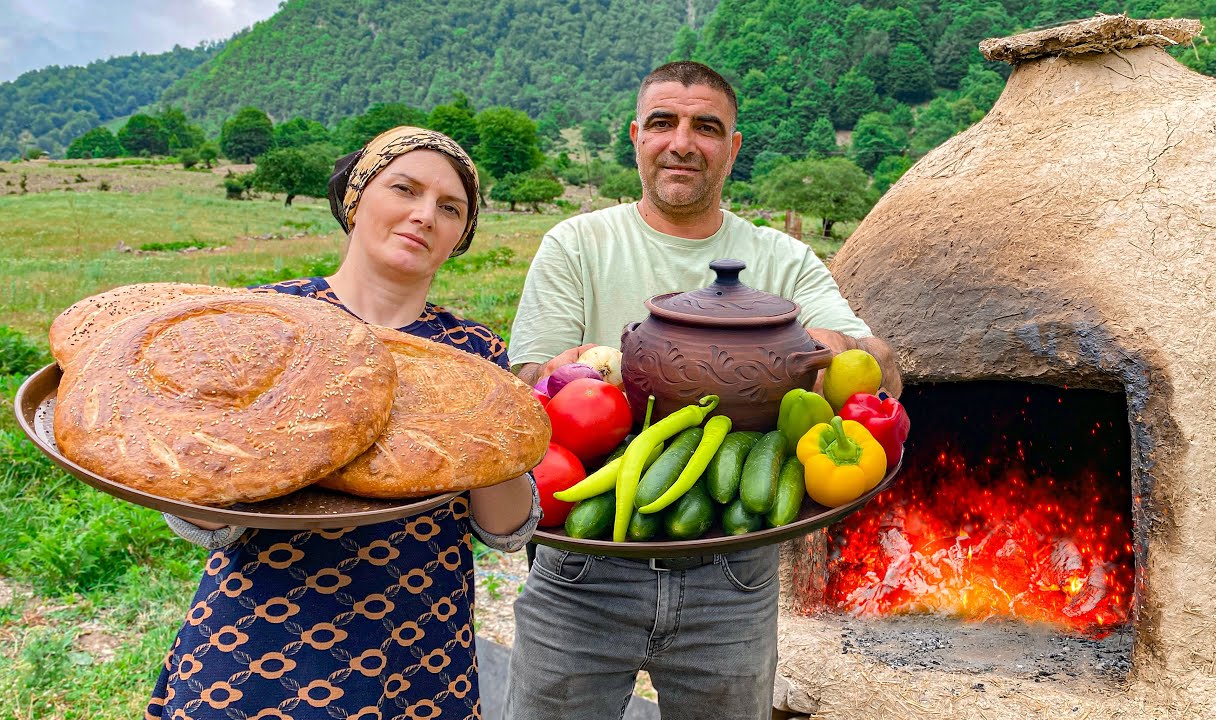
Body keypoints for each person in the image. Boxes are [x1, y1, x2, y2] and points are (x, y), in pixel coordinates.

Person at [503, 62, 902, 720]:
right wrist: (576, 370)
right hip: (583, 563)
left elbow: (876, 368)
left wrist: (839, 353)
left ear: (733, 147)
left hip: (733, 565)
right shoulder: (577, 243)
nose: (682, 141)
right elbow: (529, 387)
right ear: (636, 136)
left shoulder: (782, 259)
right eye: (663, 122)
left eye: (706, 127)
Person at [145, 127, 540, 720]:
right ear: (356, 198)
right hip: (261, 641)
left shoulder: (472, 350)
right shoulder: (266, 319)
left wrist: (486, 433)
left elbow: (504, 529)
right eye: (403, 189)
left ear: (461, 234)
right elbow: (200, 515)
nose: (424, 215)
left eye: (449, 207)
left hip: (419, 647)